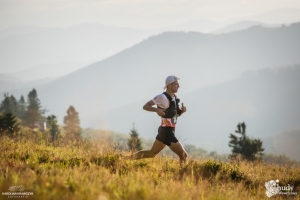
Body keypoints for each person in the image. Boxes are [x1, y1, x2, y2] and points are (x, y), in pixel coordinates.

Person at [128, 75, 188, 163]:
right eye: (176, 84)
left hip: (166, 130)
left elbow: (173, 116)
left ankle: (125, 159)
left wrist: (181, 111)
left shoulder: (175, 98)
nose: (178, 86)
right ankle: (182, 175)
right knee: (183, 155)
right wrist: (156, 110)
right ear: (169, 85)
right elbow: (146, 106)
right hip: (167, 132)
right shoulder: (162, 97)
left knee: (151, 153)